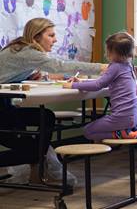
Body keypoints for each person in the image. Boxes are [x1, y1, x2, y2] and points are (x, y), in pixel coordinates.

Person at [0, 17, 106, 185]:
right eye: (51, 35)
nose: (55, 39)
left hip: (5, 105)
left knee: (46, 118)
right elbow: (61, 65)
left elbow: (8, 74)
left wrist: (29, 75)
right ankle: (37, 162)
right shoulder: (27, 52)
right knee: (31, 148)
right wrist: (101, 67)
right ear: (36, 37)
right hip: (3, 107)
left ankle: (38, 165)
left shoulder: (21, 50)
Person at [64, 32, 137, 141]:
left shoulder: (115, 67)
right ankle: (126, 131)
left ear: (113, 52)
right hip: (132, 117)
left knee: (88, 131)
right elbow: (103, 81)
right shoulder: (129, 66)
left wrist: (73, 85)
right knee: (99, 127)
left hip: (120, 118)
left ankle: (120, 134)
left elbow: (98, 85)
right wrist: (81, 81)